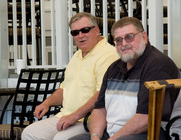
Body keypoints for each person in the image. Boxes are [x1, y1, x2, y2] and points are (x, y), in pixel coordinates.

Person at [69, 17, 181, 140]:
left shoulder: (157, 65)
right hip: (113, 134)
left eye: (129, 37)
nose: (124, 44)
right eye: (118, 40)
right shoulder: (114, 68)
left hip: (150, 133)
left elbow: (145, 119)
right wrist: (95, 137)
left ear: (144, 37)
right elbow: (100, 110)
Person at [21, 12, 119, 140]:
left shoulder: (108, 54)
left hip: (91, 119)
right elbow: (64, 89)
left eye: (85, 30)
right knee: (30, 133)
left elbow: (102, 94)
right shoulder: (77, 55)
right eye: (75, 32)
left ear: (96, 30)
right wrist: (47, 103)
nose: (80, 35)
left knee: (61, 138)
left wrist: (73, 116)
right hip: (66, 116)